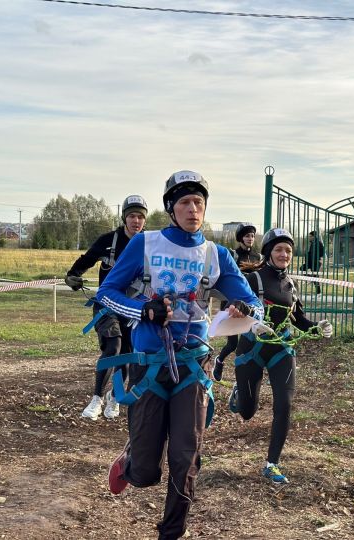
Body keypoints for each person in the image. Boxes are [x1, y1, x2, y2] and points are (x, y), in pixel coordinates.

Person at [95, 170, 264, 540]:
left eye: (199, 203)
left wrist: (245, 309)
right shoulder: (145, 244)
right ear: (171, 208)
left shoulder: (215, 254)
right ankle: (130, 464)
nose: (194, 210)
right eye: (185, 203)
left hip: (193, 365)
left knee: (186, 457)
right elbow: (105, 293)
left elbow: (254, 303)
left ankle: (171, 532)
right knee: (146, 472)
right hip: (149, 365)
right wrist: (143, 310)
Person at [229, 227, 333, 485]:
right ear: (267, 253)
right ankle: (240, 395)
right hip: (251, 349)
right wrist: (251, 321)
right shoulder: (253, 279)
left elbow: (298, 319)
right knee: (247, 413)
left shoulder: (291, 285)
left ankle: (271, 463)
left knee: (284, 405)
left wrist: (318, 327)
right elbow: (233, 309)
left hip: (282, 349)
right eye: (279, 249)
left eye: (288, 250)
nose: (284, 254)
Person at [65, 195, 148, 420]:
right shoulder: (109, 241)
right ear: (124, 218)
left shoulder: (150, 245)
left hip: (133, 307)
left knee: (129, 352)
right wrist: (73, 276)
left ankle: (115, 397)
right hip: (106, 305)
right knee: (113, 346)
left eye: (141, 217)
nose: (136, 221)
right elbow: (87, 259)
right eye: (132, 215)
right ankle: (97, 398)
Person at [212, 222, 260, 382]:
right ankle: (219, 361)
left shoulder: (258, 257)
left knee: (248, 342)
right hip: (230, 304)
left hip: (249, 306)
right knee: (232, 344)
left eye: (252, 236)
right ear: (240, 238)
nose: (250, 238)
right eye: (247, 236)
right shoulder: (232, 255)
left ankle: (244, 379)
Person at [300, 230, 325, 294]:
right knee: (302, 268)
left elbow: (322, 252)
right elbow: (310, 253)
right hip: (310, 262)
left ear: (314, 236)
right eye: (309, 236)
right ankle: (310, 277)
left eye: (311, 236)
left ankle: (318, 292)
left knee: (315, 276)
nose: (309, 237)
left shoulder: (319, 243)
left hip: (316, 262)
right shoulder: (312, 243)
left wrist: (320, 259)